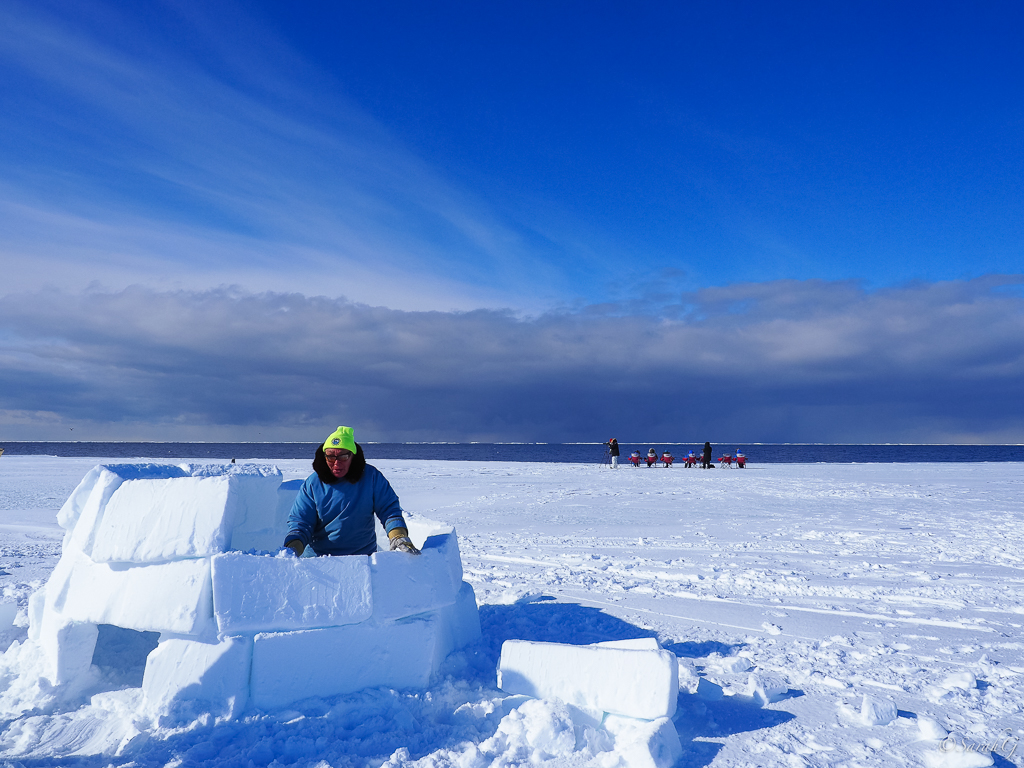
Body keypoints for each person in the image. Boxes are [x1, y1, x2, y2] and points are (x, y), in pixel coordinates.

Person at [283, 426, 419, 557]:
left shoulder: (371, 477)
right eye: (330, 456)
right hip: (320, 561)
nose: (336, 463)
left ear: (353, 456)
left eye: (343, 457)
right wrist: (293, 548)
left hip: (363, 559)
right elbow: (301, 522)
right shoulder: (313, 483)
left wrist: (398, 535)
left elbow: (389, 510)